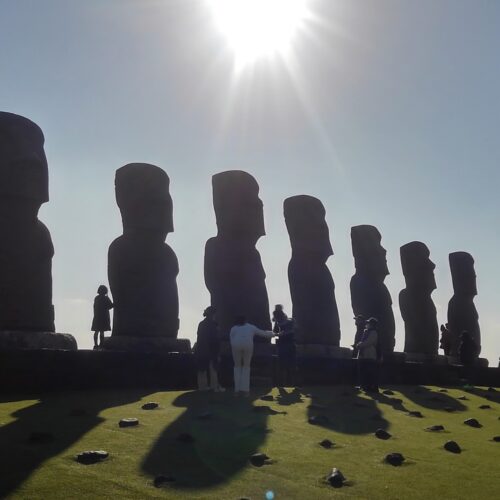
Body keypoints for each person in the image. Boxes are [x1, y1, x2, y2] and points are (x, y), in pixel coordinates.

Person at [229, 315, 274, 395]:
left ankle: (237, 390)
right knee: (246, 366)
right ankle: (245, 390)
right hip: (248, 345)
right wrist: (274, 334)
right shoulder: (250, 327)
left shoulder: (234, 328)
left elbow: (231, 338)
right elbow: (263, 333)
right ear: (245, 321)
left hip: (236, 345)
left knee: (237, 366)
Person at [194, 306, 224, 392]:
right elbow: (215, 338)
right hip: (211, 348)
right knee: (213, 368)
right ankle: (214, 386)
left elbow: (199, 337)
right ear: (213, 314)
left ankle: (202, 387)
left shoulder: (201, 324)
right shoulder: (214, 325)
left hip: (201, 348)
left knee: (201, 369)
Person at [355, 317, 380, 393]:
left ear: (372, 325)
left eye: (368, 323)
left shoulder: (373, 332)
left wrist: (360, 344)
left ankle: (372, 387)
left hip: (369, 355)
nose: (367, 324)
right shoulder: (366, 332)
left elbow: (369, 342)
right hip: (363, 355)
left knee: (370, 372)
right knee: (363, 372)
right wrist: (359, 344)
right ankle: (364, 386)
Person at [275, 317, 297, 387]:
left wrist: (277, 322)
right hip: (288, 348)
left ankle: (284, 384)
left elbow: (276, 331)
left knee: (284, 367)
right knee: (288, 367)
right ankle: (288, 384)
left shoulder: (287, 332)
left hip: (285, 348)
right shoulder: (291, 330)